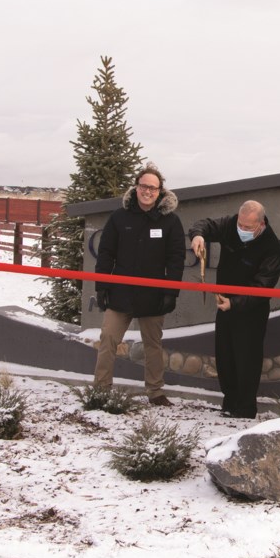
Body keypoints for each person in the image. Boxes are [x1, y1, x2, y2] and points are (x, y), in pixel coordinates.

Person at [93, 163, 185, 406]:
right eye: (144, 186)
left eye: (153, 188)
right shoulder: (119, 217)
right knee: (108, 339)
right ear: (136, 187)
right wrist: (101, 286)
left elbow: (176, 259)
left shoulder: (170, 221)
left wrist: (170, 292)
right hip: (120, 293)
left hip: (153, 295)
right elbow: (106, 253)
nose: (148, 191)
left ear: (160, 191)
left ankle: (155, 392)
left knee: (153, 345)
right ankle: (101, 390)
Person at [188, 201, 280, 419]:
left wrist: (235, 303)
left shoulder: (271, 246)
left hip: (251, 310)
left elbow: (263, 286)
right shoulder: (231, 225)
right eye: (241, 224)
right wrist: (198, 235)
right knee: (225, 356)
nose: (242, 230)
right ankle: (229, 403)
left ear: (261, 224)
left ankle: (245, 408)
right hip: (225, 306)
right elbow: (205, 224)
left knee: (246, 358)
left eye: (248, 228)